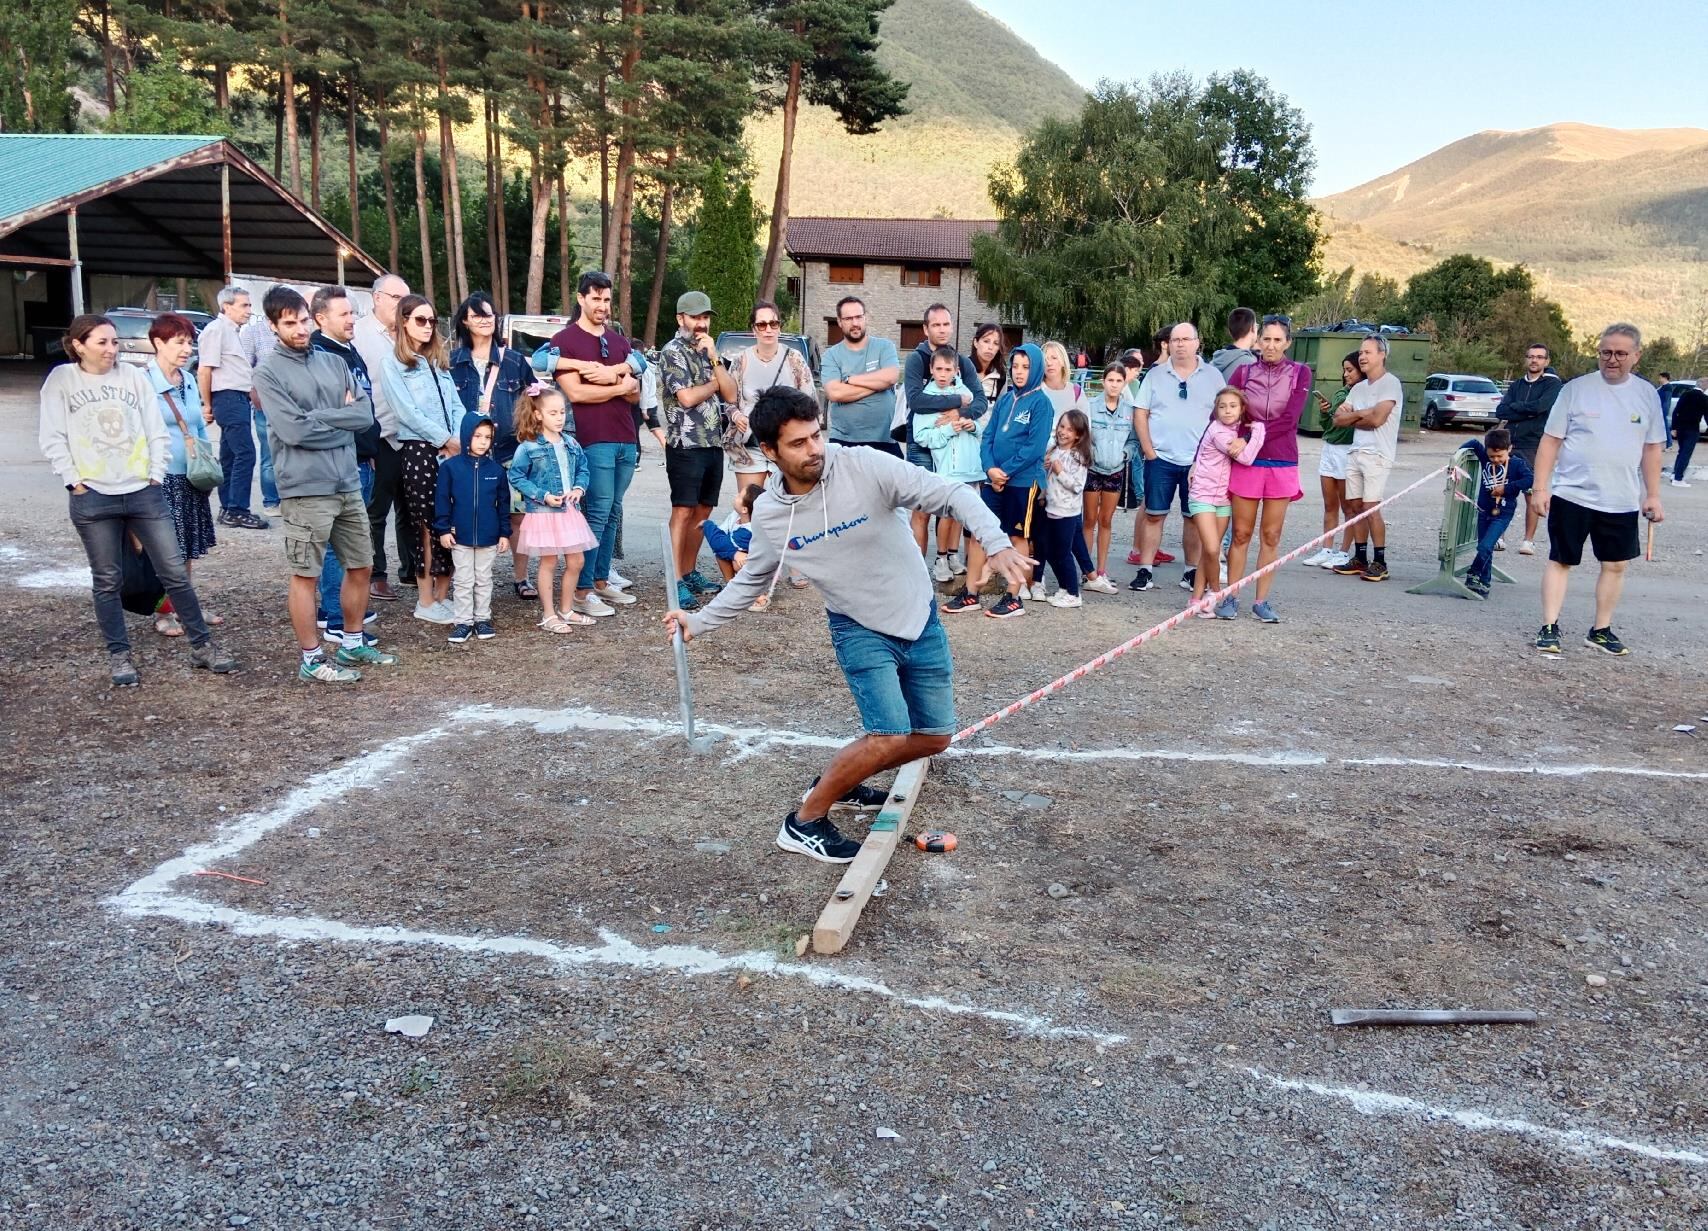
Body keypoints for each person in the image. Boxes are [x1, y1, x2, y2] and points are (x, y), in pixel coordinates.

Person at [663, 386, 1033, 864]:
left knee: (936, 737)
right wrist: (699, 621)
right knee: (888, 735)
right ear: (770, 452)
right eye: (798, 444)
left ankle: (840, 781)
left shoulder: (864, 466)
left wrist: (997, 542)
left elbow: (952, 493)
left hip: (919, 615)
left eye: (817, 435)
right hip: (857, 627)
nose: (814, 449)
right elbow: (752, 578)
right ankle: (804, 822)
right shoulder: (773, 515)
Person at [41, 314, 236, 685]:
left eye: (114, 342)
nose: (111, 350)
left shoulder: (132, 377)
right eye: (102, 342)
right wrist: (74, 482)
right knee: (107, 579)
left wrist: (154, 475)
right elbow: (52, 435)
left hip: (143, 491)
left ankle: (202, 646)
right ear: (79, 345)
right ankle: (119, 655)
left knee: (174, 570)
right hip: (93, 497)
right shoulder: (62, 381)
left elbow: (154, 429)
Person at [253, 286, 392, 684]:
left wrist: (320, 420)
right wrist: (338, 422)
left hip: (347, 482)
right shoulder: (267, 371)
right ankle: (312, 658)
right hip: (304, 487)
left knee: (361, 565)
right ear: (273, 325)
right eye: (289, 323)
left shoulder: (334, 362)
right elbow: (292, 430)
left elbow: (364, 415)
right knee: (306, 575)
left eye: (302, 321)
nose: (298, 329)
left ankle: (352, 643)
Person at [1532, 324, 1666, 656]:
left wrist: (1653, 494)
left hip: (1620, 498)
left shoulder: (1647, 394)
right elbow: (1551, 441)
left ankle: (1601, 629)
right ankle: (1550, 627)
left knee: (1616, 564)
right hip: (1571, 494)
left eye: (1621, 353)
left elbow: (1652, 448)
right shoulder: (1575, 390)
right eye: (1606, 352)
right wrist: (1540, 488)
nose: (1612, 359)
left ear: (1637, 356)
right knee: (1561, 559)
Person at [549, 272, 642, 617]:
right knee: (597, 512)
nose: (602, 306)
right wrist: (617, 385)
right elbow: (576, 393)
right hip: (593, 439)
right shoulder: (566, 340)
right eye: (596, 299)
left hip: (625, 437)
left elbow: (636, 393)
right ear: (581, 298)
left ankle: (602, 581)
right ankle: (582, 590)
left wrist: (619, 380)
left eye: (606, 299)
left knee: (614, 511)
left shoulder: (619, 343)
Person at [378, 294, 462, 623]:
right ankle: (425, 601)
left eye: (432, 321)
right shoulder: (394, 363)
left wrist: (458, 438)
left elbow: (455, 405)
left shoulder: (438, 361)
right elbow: (406, 413)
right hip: (420, 452)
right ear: (404, 322)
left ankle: (442, 597)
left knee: (450, 522)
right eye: (420, 320)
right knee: (426, 527)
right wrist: (444, 439)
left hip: (451, 449)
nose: (428, 327)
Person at [1224, 315, 1312, 622]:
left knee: (1271, 535)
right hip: (1248, 463)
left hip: (1282, 461)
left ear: (1287, 343)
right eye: (1266, 339)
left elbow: (1290, 420)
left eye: (1278, 340)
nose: (1271, 345)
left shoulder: (1300, 373)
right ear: (1258, 340)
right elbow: (1227, 413)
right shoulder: (1243, 371)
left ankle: (1261, 600)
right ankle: (1230, 596)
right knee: (1241, 533)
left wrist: (1249, 436)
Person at [449, 290, 535, 600]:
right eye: (477, 315)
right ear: (465, 321)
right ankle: (465, 580)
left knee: (518, 517)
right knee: (465, 515)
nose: (485, 320)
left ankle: (521, 577)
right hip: (466, 455)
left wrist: (530, 440)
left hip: (510, 451)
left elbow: (531, 402)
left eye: (489, 314)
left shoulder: (514, 361)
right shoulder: (453, 363)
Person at [1128, 322, 1224, 592]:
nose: (1180, 344)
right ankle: (1145, 570)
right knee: (1154, 515)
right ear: (1168, 344)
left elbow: (1223, 416)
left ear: (1197, 342)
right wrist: (1149, 451)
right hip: (1161, 458)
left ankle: (1191, 571)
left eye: (1186, 339)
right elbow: (1140, 413)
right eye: (1175, 340)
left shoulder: (1214, 377)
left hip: (1199, 461)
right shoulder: (1156, 375)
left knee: (1193, 517)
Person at [308, 286, 379, 647]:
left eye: (353, 313)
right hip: (342, 462)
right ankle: (337, 618)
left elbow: (361, 406)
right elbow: (339, 413)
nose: (352, 319)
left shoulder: (349, 352)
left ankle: (336, 609)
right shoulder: (320, 356)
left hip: (363, 458)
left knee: (349, 541)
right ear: (321, 318)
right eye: (343, 314)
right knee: (340, 544)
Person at [659, 290, 738, 611]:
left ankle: (690, 572)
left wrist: (716, 361)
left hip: (713, 444)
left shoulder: (711, 352)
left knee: (703, 512)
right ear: (681, 319)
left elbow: (731, 394)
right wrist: (714, 386)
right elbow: (686, 398)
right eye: (696, 318)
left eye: (705, 318)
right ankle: (675, 579)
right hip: (684, 445)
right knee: (682, 512)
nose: (702, 324)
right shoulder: (671, 352)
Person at [146, 313, 222, 637]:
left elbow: (197, 425)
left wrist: (207, 465)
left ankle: (184, 605)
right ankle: (163, 612)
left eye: (189, 342)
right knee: (167, 551)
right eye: (179, 342)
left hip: (191, 476)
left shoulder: (188, 380)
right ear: (158, 343)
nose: (186, 349)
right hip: (160, 478)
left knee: (187, 548)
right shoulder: (144, 382)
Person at [902, 305, 989, 573]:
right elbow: (916, 399)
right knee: (922, 508)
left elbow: (980, 401)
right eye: (936, 325)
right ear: (926, 329)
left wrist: (959, 412)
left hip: (955, 444)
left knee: (951, 503)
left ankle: (947, 557)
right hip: (921, 443)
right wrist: (955, 401)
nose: (942, 329)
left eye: (946, 324)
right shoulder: (916, 360)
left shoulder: (962, 362)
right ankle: (918, 567)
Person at [507, 383, 599, 632]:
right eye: (553, 413)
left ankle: (566, 609)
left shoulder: (571, 443)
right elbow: (516, 476)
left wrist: (579, 488)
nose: (560, 418)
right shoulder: (528, 446)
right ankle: (549, 615)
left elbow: (583, 469)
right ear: (538, 414)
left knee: (576, 561)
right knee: (548, 561)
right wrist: (542, 495)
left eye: (562, 412)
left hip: (569, 512)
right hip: (544, 513)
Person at [974, 344, 1054, 619]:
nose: (1019, 372)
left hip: (1022, 482)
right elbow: (988, 436)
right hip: (995, 479)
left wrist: (1004, 472)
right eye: (1015, 366)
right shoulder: (1006, 399)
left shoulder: (1041, 403)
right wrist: (990, 469)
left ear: (1036, 370)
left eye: (1026, 367)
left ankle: (1014, 596)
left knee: (1017, 535)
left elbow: (1034, 447)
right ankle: (972, 591)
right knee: (983, 529)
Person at [352, 272, 413, 601]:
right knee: (376, 510)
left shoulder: (410, 333)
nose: (401, 305)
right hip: (378, 435)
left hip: (412, 436)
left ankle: (411, 568)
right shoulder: (359, 335)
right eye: (395, 298)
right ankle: (376, 574)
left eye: (406, 299)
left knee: (411, 507)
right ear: (376, 298)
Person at [1331, 335, 1403, 582]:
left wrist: (1357, 416)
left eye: (1368, 352)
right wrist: (1363, 413)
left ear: (1382, 355)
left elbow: (1377, 420)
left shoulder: (1390, 384)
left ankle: (1380, 561)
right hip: (1356, 452)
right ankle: (1360, 557)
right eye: (1361, 352)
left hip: (1377, 455)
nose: (1362, 357)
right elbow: (1338, 420)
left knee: (1371, 507)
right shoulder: (1358, 388)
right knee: (1353, 507)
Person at [196, 285, 269, 529]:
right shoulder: (216, 330)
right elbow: (205, 369)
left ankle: (228, 507)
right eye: (244, 305)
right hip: (226, 396)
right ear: (227, 307)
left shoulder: (231, 331)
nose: (249, 310)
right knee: (245, 453)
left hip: (236, 396)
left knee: (229, 456)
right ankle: (237, 509)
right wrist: (207, 404)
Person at [435, 414, 512, 643]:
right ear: (467, 435)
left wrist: (504, 533)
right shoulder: (450, 468)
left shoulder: (497, 471)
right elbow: (442, 500)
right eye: (477, 436)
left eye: (487, 437)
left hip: (489, 537)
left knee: (484, 579)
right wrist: (444, 529)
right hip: (460, 536)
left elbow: (503, 505)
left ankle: (482, 619)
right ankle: (463, 622)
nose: (482, 441)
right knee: (463, 580)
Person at [1188, 388, 1265, 616]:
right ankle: (1215, 592)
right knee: (1212, 548)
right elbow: (1246, 457)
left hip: (1223, 497)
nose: (1227, 410)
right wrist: (1258, 431)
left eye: (1233, 406)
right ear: (1216, 409)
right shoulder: (1218, 431)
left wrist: (1247, 435)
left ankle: (1196, 597)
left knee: (1209, 552)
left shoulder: (1237, 429)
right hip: (1202, 495)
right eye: (1222, 406)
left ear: (1242, 409)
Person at [1493, 342, 1562, 554]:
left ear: (1546, 361)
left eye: (1540, 357)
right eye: (1531, 356)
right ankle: (1499, 536)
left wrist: (1517, 409)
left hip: (1535, 444)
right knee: (1501, 490)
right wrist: (1524, 410)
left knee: (1531, 492)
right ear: (1526, 359)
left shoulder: (1552, 385)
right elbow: (1501, 411)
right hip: (1511, 443)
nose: (1535, 360)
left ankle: (1528, 540)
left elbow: (1542, 407)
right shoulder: (1516, 385)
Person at [1302, 352, 1362, 570]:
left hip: (1349, 451)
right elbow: (1328, 425)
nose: (1346, 374)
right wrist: (1325, 413)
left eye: (1350, 370)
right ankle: (1327, 548)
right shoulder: (1341, 393)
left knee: (1349, 507)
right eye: (1344, 370)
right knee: (1330, 505)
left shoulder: (1364, 395)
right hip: (1330, 449)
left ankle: (1344, 552)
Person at [821, 296, 900, 455]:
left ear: (866, 318)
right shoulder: (831, 355)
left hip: (885, 439)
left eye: (859, 317)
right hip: (844, 442)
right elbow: (835, 393)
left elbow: (891, 376)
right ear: (839, 321)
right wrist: (879, 384)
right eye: (848, 318)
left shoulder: (884, 347)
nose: (855, 323)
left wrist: (851, 380)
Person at [1460, 427, 1533, 598]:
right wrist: (1457, 458)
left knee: (1485, 546)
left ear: (1509, 449)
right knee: (1486, 548)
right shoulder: (1486, 457)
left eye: (1500, 456)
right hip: (1484, 510)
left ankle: (1473, 573)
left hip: (1503, 512)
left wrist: (1506, 488)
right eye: (1492, 456)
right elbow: (1472, 443)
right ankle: (1484, 581)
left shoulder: (1517, 464)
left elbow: (1530, 479)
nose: (1495, 460)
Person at [1081, 359, 1130, 593]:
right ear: (1103, 382)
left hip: (1115, 470)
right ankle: (1086, 569)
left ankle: (1102, 570)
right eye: (1110, 380)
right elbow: (1082, 435)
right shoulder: (1090, 406)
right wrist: (1090, 454)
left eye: (1118, 381)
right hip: (1093, 469)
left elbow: (1134, 440)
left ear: (1124, 383)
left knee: (1106, 520)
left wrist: (1125, 453)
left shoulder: (1129, 411)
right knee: (1089, 519)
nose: (1114, 385)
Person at [1038, 409, 1091, 608]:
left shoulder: (1078, 457)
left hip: (1067, 512)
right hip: (1051, 508)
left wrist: (1060, 472)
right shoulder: (1053, 450)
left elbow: (1077, 486)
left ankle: (1073, 593)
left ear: (1078, 434)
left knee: (1063, 553)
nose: (1063, 432)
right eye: (1062, 427)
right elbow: (1047, 479)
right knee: (1051, 551)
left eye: (1070, 429)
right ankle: (1063, 587)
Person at [701, 482, 767, 608]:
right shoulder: (735, 516)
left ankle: (757, 595)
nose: (735, 496)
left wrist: (706, 524)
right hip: (750, 559)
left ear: (744, 509)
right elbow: (722, 536)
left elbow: (720, 541)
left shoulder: (748, 531)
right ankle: (732, 587)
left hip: (762, 566)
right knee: (723, 553)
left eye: (739, 496)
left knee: (735, 561)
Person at [1671, 377, 1706, 486]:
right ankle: (1678, 478)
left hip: (1681, 427)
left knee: (1681, 452)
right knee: (1686, 454)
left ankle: (1675, 473)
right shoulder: (1704, 399)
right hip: (1692, 428)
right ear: (1704, 385)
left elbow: (1676, 411)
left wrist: (1674, 427)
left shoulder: (1685, 394)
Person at [1210, 306, 1259, 378]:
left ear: (1230, 332)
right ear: (1252, 328)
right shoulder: (1252, 366)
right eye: (1256, 326)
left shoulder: (1215, 361)